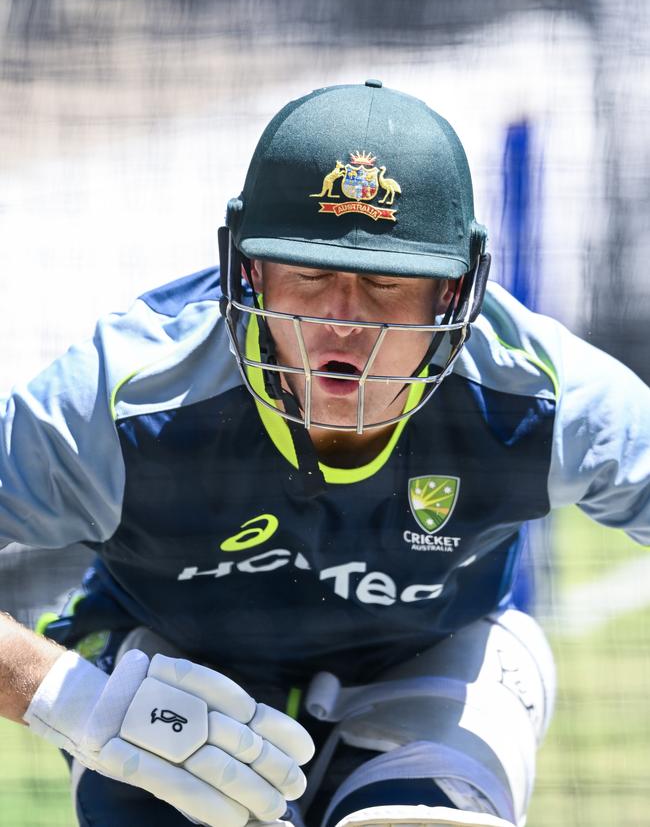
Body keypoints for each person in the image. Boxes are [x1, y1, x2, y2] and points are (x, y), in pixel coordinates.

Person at [1, 79, 649, 827]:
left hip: (431, 666)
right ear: (247, 269)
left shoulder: (542, 398)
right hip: (165, 674)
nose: (345, 320)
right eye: (308, 274)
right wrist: (69, 699)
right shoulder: (119, 399)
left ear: (455, 291)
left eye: (386, 282)